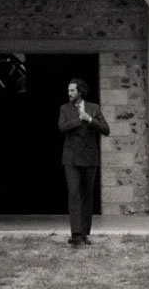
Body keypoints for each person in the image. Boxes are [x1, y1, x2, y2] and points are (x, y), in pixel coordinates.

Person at [58, 76, 110, 246]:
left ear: (80, 91)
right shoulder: (65, 108)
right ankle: (76, 234)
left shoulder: (94, 108)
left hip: (89, 158)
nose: (69, 93)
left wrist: (89, 119)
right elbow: (62, 127)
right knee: (74, 194)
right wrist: (78, 119)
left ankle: (85, 233)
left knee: (87, 196)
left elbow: (106, 129)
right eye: (68, 91)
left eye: (72, 90)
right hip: (71, 158)